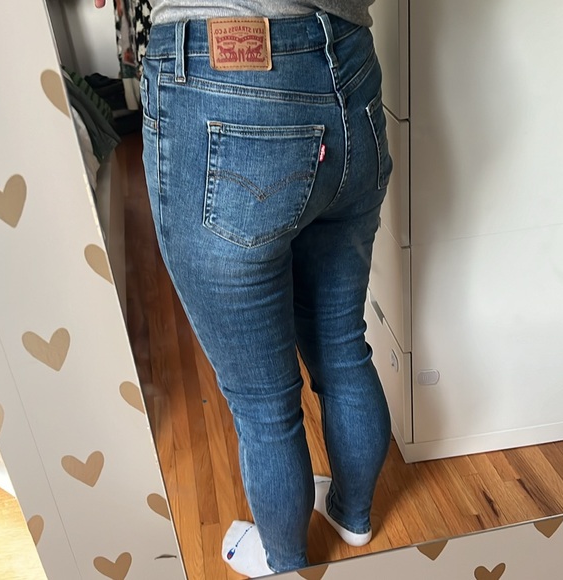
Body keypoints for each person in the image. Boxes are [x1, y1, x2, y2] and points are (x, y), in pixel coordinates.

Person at [95, 1, 393, 576]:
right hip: (350, 70)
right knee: (342, 348)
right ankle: (353, 516)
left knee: (265, 406)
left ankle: (285, 562)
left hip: (224, 73)